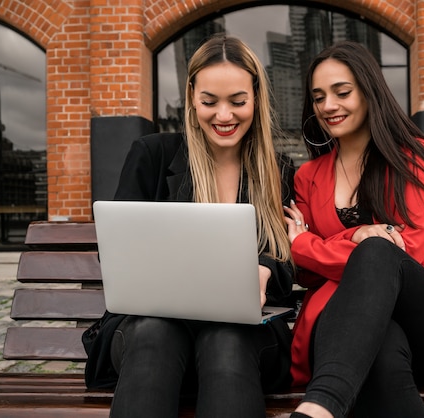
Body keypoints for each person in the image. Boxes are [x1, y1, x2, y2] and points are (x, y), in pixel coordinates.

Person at [283, 41, 424, 418]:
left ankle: (321, 405)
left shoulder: (414, 158)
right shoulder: (308, 176)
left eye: (342, 92)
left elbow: (406, 250)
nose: (328, 106)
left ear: (369, 91)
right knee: (381, 345)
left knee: (381, 253)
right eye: (319, 97)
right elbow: (301, 268)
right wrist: (354, 235)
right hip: (347, 327)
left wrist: (310, 243)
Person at [82, 35, 295, 418]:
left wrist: (265, 267)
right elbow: (117, 252)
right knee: (156, 333)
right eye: (209, 102)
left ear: (257, 99)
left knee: (225, 337)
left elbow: (286, 257)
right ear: (191, 95)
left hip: (244, 335)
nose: (224, 116)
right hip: (150, 329)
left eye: (238, 102)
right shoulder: (152, 155)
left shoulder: (277, 169)